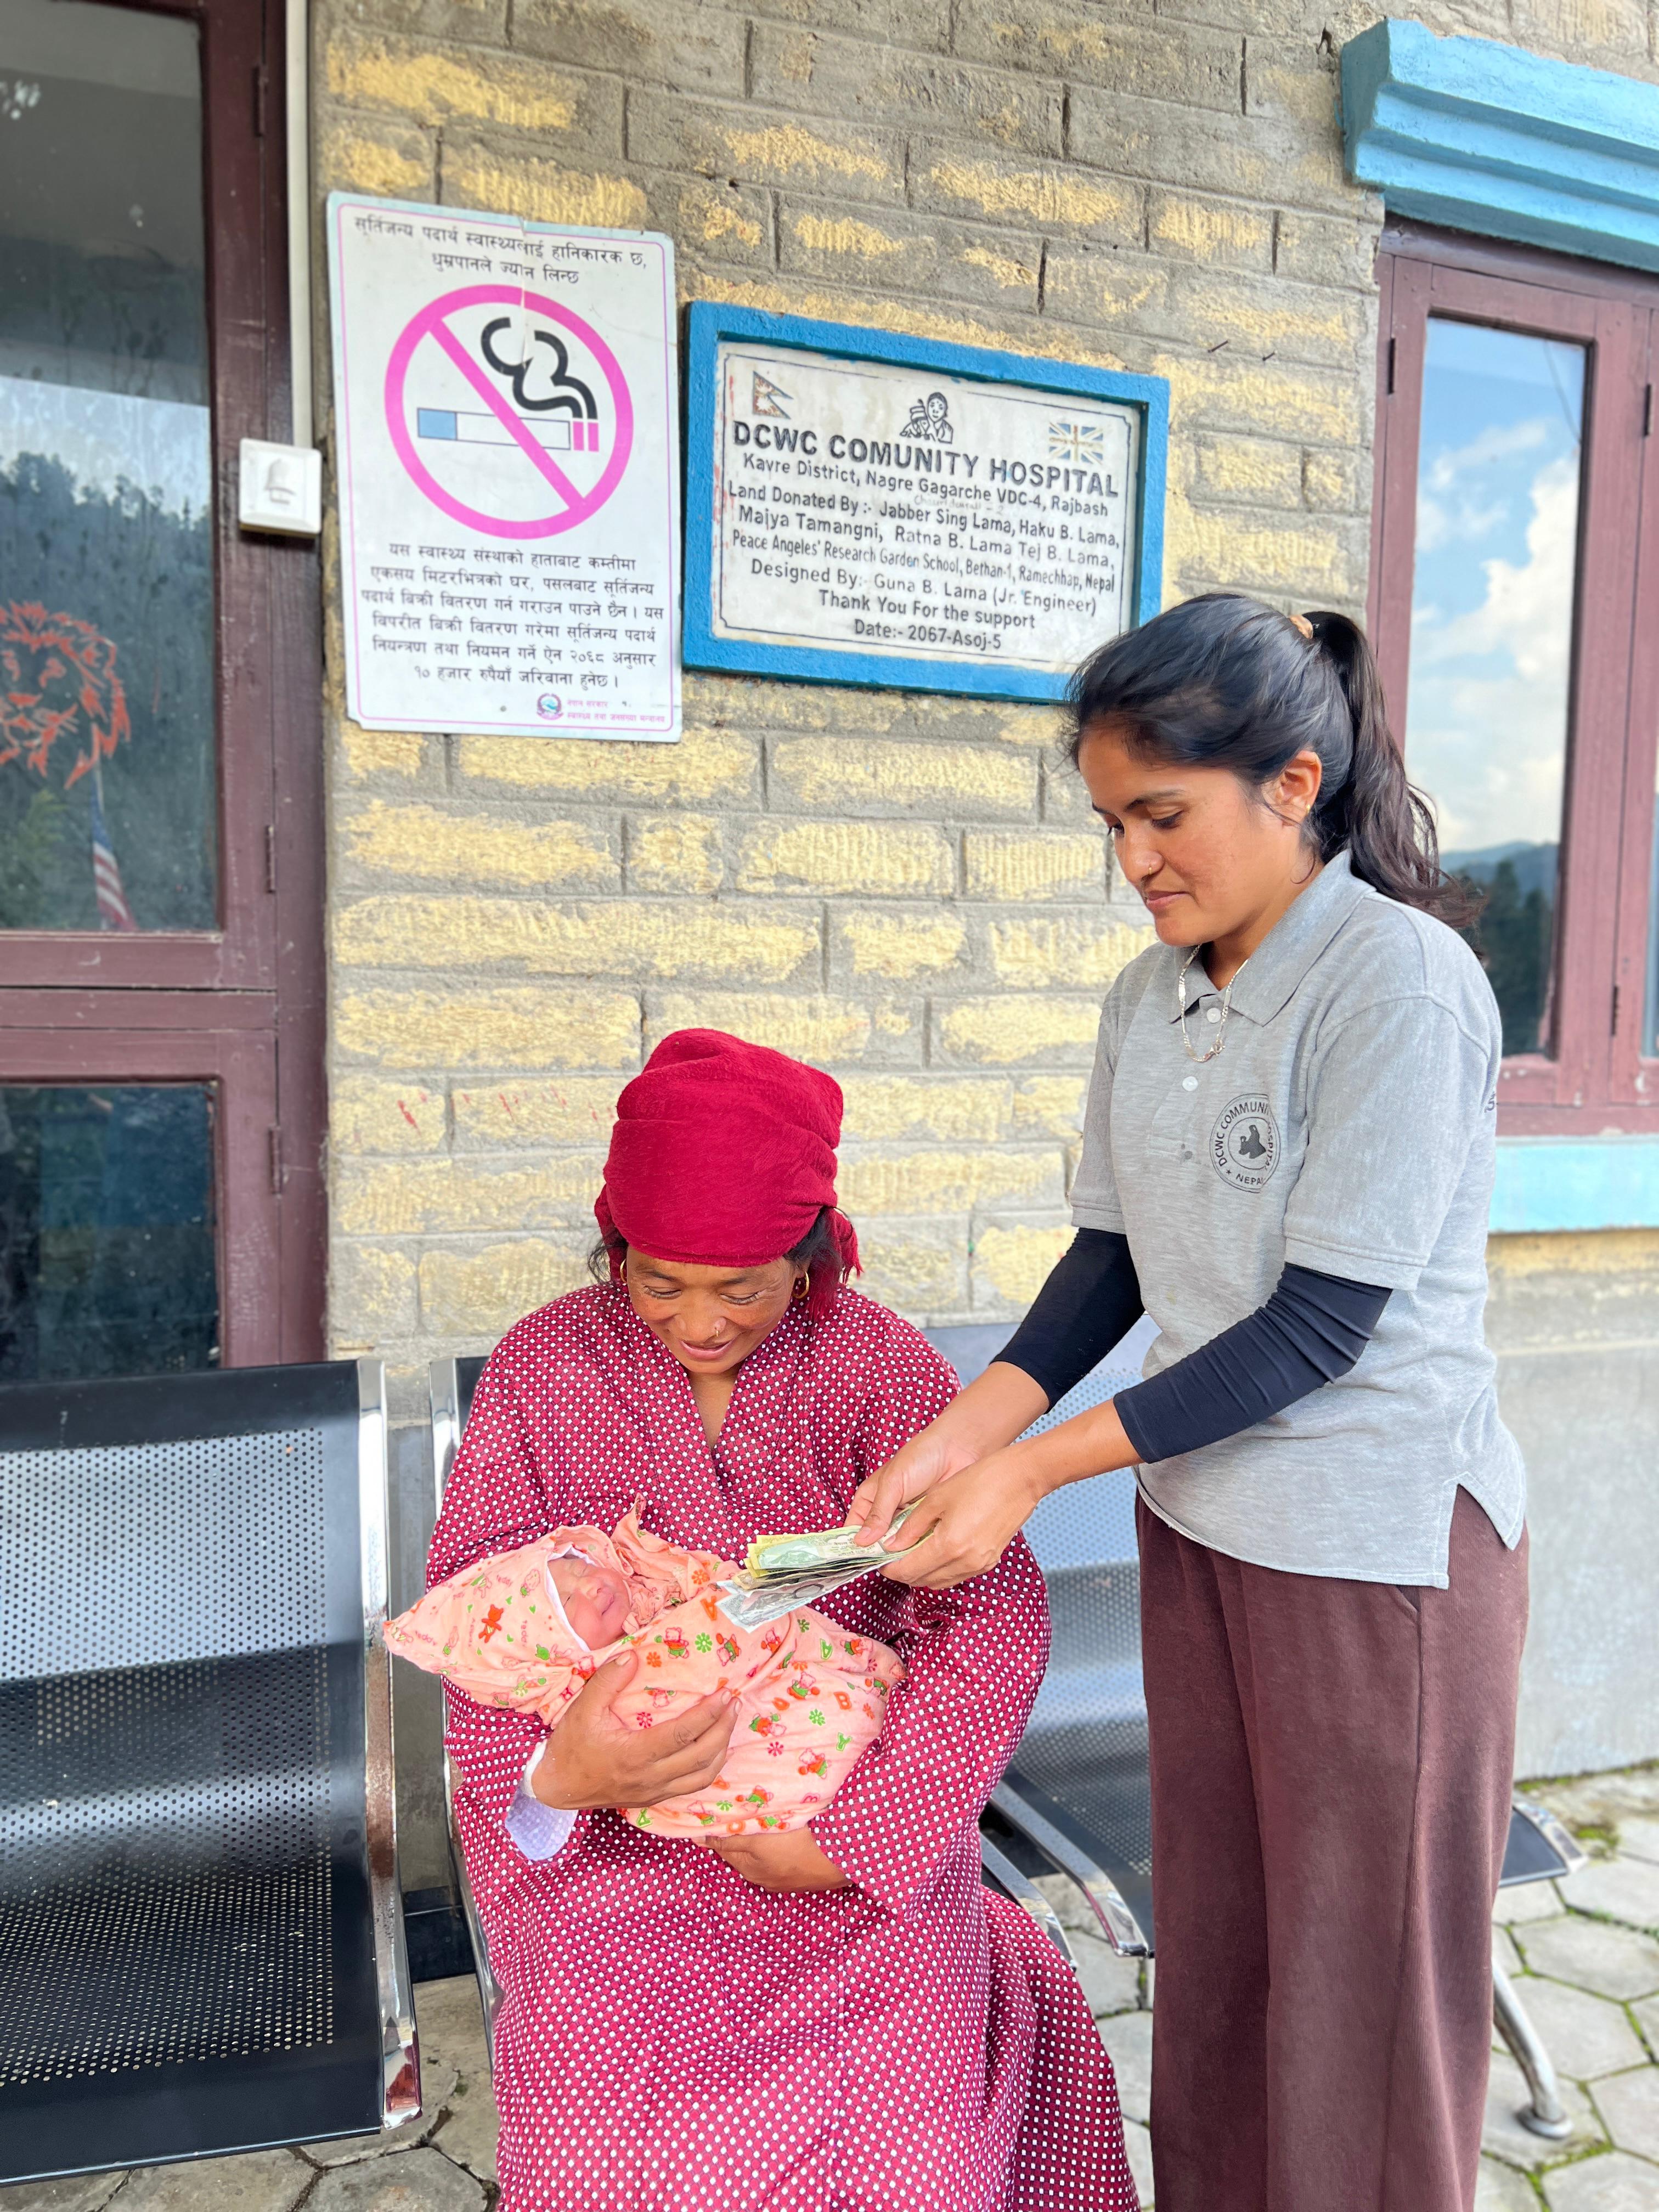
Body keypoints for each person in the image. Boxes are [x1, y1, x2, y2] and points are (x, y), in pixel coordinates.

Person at [852, 594, 1528, 2212]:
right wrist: (968, 1422)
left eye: (1164, 815)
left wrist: (1028, 1476)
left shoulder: (1398, 986)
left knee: (1362, 2008)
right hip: (1206, 1530)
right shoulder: (1146, 997)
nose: (1137, 860)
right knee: (1222, 1965)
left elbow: (1318, 1328)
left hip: (1376, 1562)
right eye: (1113, 825)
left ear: (1292, 786)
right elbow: (1116, 1261)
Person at [428, 1027, 1138, 2212]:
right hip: (612, 1863)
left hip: (849, 1861)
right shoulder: (541, 1370)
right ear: (615, 1250)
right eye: (658, 1284)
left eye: (742, 1289)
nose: (699, 1323)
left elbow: (992, 1620)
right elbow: (472, 1616)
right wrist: (562, 1775)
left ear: (808, 1258)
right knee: (596, 2166)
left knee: (910, 2171)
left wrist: (853, 1840)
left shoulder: (880, 1366)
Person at [387, 1500, 904, 1838]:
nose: (586, 1586)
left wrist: (857, 1850)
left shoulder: (879, 1362)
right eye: (564, 1607)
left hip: (901, 1793)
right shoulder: (591, 1683)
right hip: (652, 1850)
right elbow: (491, 1742)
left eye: (575, 1567)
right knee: (573, 2000)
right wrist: (556, 1777)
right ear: (550, 1659)